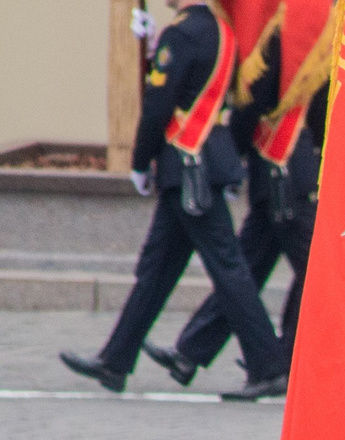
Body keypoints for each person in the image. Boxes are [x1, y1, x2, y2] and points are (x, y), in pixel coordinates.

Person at [62, 1, 290, 402]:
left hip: (187, 167)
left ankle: (268, 364)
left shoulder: (182, 34)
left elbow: (158, 105)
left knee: (228, 270)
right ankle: (115, 360)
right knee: (156, 270)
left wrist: (138, 160)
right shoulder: (221, 30)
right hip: (199, 165)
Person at [152, 52, 318, 389]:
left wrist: (230, 154)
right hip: (281, 173)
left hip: (284, 172)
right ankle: (193, 351)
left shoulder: (287, 40)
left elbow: (250, 109)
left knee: (313, 269)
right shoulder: (306, 37)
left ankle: (282, 362)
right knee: (245, 270)